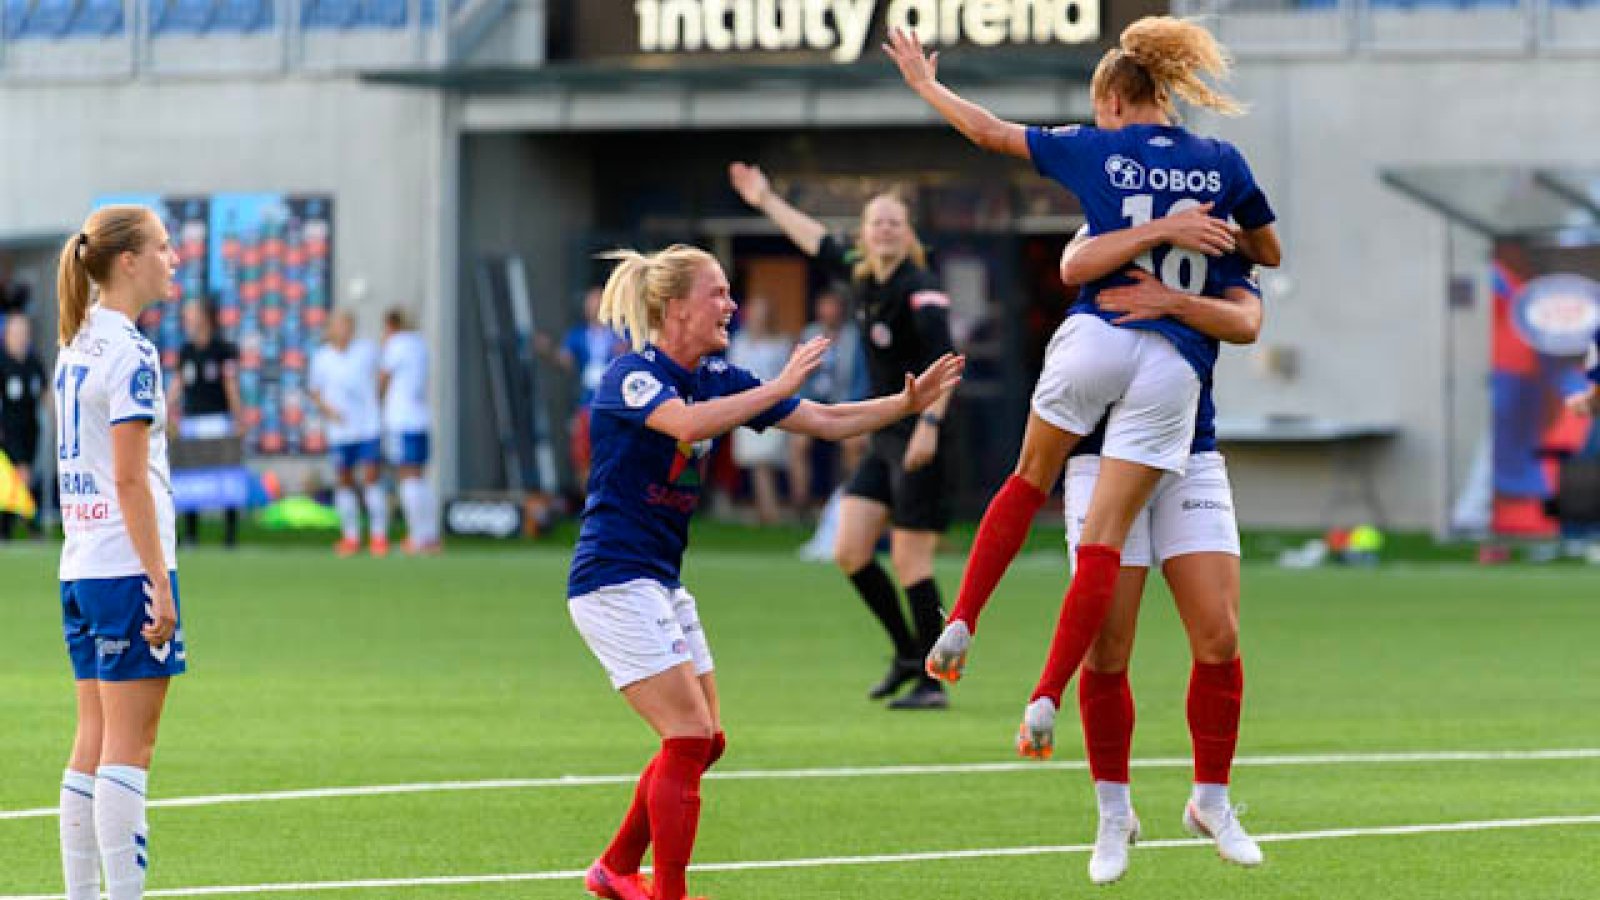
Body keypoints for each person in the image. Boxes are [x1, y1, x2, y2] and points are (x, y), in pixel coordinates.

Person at [882, 20, 1281, 718]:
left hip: (1098, 332)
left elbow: (990, 132)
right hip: (1170, 359)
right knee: (1105, 535)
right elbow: (1268, 252)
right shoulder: (1222, 160)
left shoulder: (1094, 147)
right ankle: (1046, 695)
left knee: (1030, 476)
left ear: (1114, 101)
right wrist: (1201, 222)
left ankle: (963, 617)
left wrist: (925, 84)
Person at [569, 244, 963, 900]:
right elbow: (685, 424)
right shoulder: (631, 375)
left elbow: (830, 421)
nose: (731, 305)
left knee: (706, 740)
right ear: (674, 307)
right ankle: (667, 892)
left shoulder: (721, 376)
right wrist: (777, 387)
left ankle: (614, 868)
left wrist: (904, 404)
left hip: (657, 581)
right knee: (689, 736)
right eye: (718, 293)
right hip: (612, 582)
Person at [1027, 223, 1267, 882]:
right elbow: (1074, 265)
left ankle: (1211, 802)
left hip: (1190, 453)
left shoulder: (1209, 240)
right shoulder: (1107, 224)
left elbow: (1248, 320)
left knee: (1219, 635)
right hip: (1099, 462)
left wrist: (1174, 303)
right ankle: (1113, 813)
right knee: (1110, 646)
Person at [729, 163, 959, 710]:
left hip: (923, 439)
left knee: (910, 561)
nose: (884, 230)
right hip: (884, 436)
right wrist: (764, 198)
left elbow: (948, 365)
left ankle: (933, 681)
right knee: (850, 549)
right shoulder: (860, 272)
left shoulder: (921, 291)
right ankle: (906, 653)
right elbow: (813, 238)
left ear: (908, 235)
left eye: (894, 223)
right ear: (863, 232)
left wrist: (928, 426)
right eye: (876, 222)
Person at [53, 205, 186, 900]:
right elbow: (131, 477)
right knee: (131, 747)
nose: (174, 259)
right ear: (128, 260)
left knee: (93, 738)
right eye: (164, 248)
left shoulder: (74, 343)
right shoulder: (132, 351)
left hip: (80, 565)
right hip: (125, 567)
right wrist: (159, 584)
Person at [307, 310, 386, 556]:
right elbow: (315, 392)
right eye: (338, 326)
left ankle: (379, 537)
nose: (343, 330)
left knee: (372, 477)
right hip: (340, 431)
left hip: (367, 426)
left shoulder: (366, 350)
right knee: (344, 480)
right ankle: (350, 537)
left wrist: (377, 400)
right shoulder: (322, 357)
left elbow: (384, 374)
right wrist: (330, 412)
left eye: (347, 325)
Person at [539, 286, 630, 492]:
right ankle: (589, 501)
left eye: (599, 303)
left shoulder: (621, 334)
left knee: (617, 454)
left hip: (615, 405)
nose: (595, 308)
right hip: (588, 404)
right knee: (582, 454)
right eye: (591, 304)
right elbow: (565, 362)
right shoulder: (577, 335)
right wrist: (548, 351)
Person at [788, 287, 869, 515]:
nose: (829, 311)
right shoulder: (809, 334)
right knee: (798, 445)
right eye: (824, 306)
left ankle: (852, 501)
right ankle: (800, 505)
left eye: (833, 306)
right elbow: (798, 376)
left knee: (853, 446)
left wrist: (850, 409)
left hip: (845, 405)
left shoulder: (855, 337)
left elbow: (861, 379)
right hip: (812, 405)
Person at [171, 299, 243, 547]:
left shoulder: (224, 349)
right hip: (192, 419)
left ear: (205, 316)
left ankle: (230, 534)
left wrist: (238, 418)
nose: (187, 317)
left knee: (225, 476)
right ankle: (191, 534)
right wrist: (165, 409)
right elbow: (179, 384)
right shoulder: (186, 351)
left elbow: (230, 385)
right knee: (191, 478)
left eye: (192, 312)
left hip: (219, 419)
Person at [725, 294, 793, 525]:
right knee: (756, 464)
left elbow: (786, 377)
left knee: (768, 462)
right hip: (745, 406)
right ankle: (767, 512)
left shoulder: (782, 342)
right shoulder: (739, 341)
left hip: (772, 405)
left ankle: (774, 511)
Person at [379, 307, 440, 554]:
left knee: (407, 477)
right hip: (421, 418)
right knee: (420, 478)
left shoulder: (397, 344)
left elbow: (383, 377)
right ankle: (430, 535)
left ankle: (417, 537)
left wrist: (375, 402)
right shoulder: (420, 344)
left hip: (401, 419)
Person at [0, 313, 47, 540]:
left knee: (21, 478)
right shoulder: (2, 362)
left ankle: (8, 527)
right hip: (8, 432)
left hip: (31, 431)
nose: (20, 337)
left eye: (23, 333)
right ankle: (32, 524)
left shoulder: (33, 363)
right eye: (15, 332)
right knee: (20, 475)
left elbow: (46, 391)